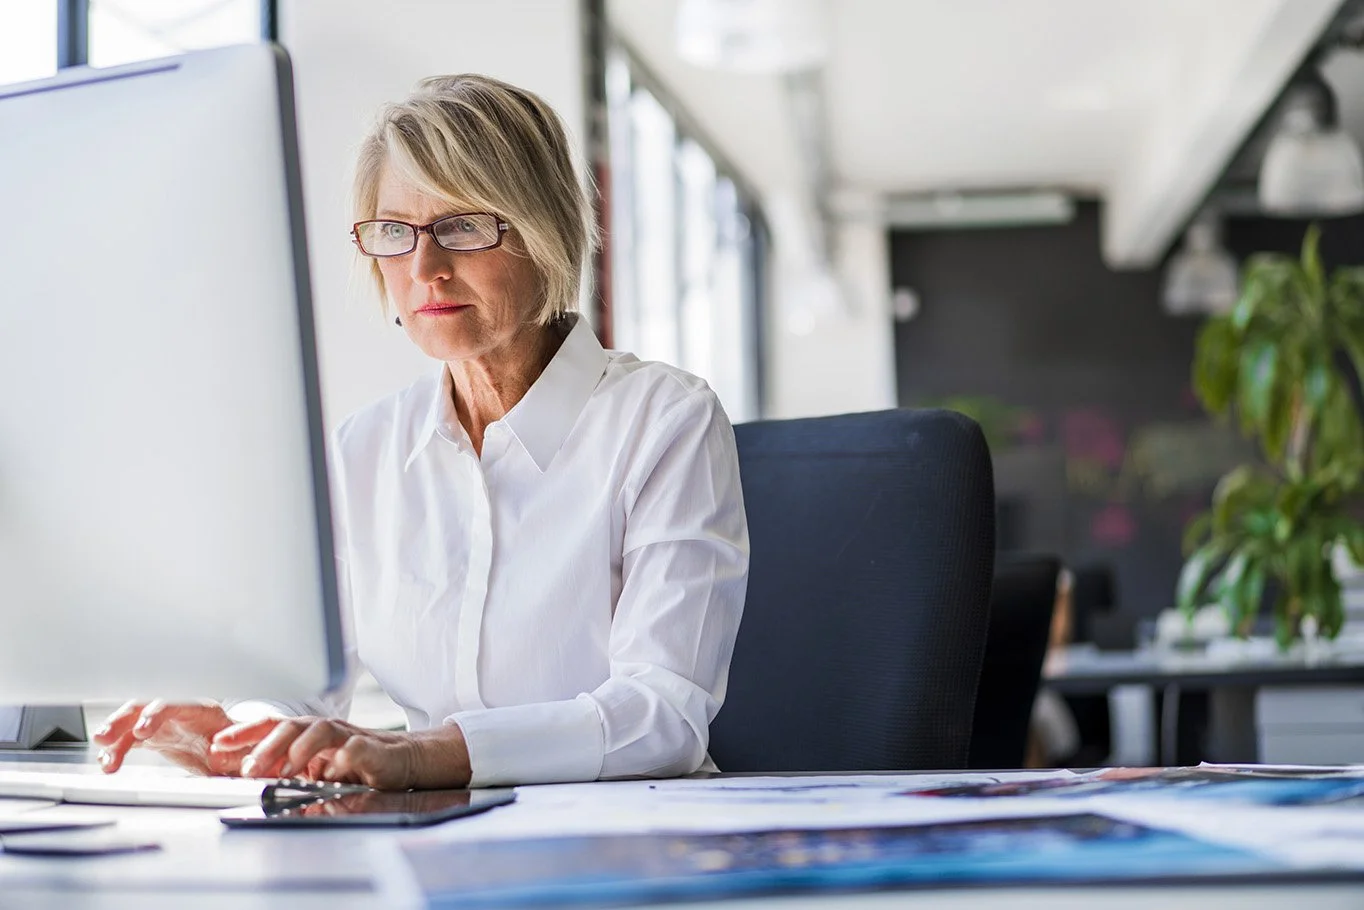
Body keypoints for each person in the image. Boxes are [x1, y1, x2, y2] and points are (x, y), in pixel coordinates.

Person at [92, 74, 749, 789]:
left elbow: (663, 716)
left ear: (545, 230)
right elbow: (303, 687)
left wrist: (423, 754)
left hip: (628, 839)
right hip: (434, 836)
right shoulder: (366, 448)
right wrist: (243, 729)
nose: (425, 268)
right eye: (395, 233)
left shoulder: (664, 421)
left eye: (463, 227)